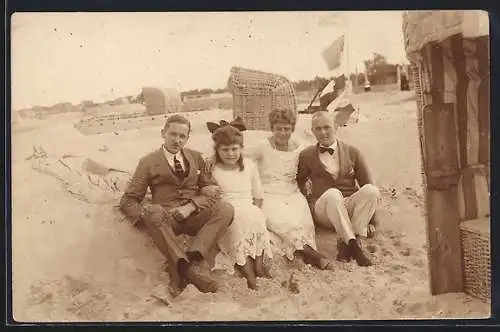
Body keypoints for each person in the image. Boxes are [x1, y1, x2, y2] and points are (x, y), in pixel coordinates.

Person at [119, 115, 234, 296]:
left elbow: (210, 189)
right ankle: (186, 270)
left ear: (187, 138)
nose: (177, 140)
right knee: (152, 210)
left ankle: (192, 261)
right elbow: (129, 199)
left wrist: (192, 206)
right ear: (163, 133)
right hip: (166, 217)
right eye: (172, 134)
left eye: (182, 136)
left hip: (194, 214)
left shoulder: (196, 157)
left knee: (225, 209)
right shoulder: (148, 161)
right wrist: (146, 218)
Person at [247, 108, 334, 270]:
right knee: (282, 222)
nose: (282, 133)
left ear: (292, 129)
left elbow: (322, 150)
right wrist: (213, 157)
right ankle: (316, 257)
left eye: (286, 129)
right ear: (272, 129)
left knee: (302, 224)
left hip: (293, 193)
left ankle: (302, 256)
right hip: (268, 193)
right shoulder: (262, 146)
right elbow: (239, 156)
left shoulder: (300, 147)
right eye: (278, 129)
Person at [296, 110, 380, 267]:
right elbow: (299, 182)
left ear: (336, 127)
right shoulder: (306, 155)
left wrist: (372, 221)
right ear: (312, 131)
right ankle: (355, 248)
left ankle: (347, 241)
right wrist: (305, 207)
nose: (323, 132)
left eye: (327, 127)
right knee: (333, 194)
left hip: (348, 206)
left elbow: (367, 184)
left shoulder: (353, 152)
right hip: (324, 209)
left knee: (372, 191)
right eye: (318, 129)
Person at [203, 125, 273, 290]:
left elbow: (258, 194)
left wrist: (256, 211)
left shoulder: (249, 165)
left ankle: (258, 265)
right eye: (225, 150)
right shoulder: (213, 168)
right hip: (227, 208)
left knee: (256, 217)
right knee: (238, 223)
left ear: (242, 148)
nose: (230, 154)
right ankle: (248, 273)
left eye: (234, 149)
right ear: (217, 151)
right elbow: (206, 190)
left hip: (247, 205)